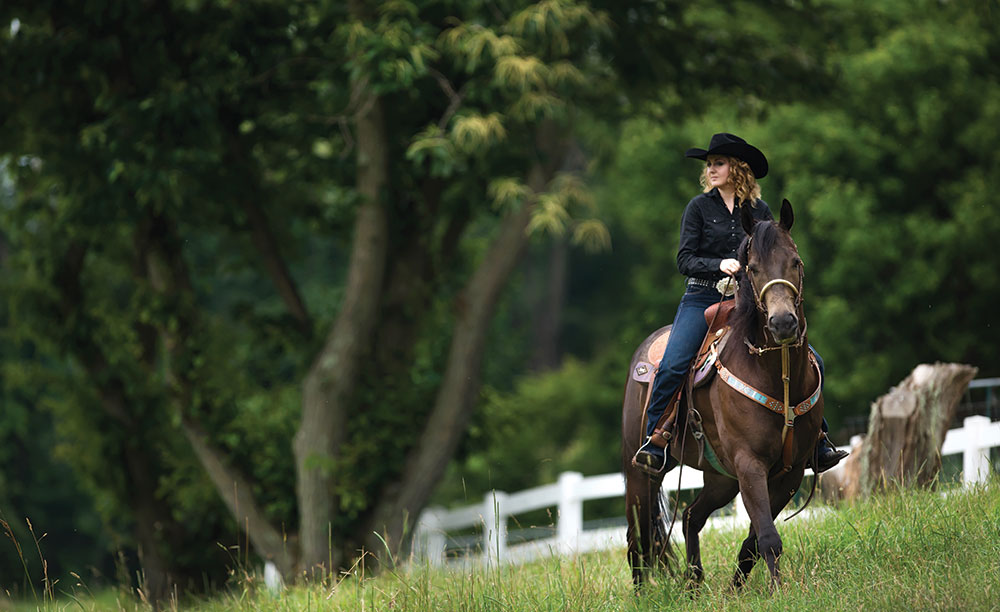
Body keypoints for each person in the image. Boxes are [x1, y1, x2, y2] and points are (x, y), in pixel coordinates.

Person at [633, 132, 848, 475]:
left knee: (811, 359)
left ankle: (818, 439)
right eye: (709, 164)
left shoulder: (760, 211)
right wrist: (718, 264)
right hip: (702, 297)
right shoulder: (698, 208)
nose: (711, 170)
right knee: (674, 362)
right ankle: (655, 440)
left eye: (718, 163)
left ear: (738, 168)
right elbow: (684, 259)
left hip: (748, 301)